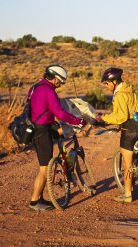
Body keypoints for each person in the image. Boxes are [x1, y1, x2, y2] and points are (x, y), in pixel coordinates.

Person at [28, 65, 86, 211]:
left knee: (45, 165)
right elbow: (60, 113)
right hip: (42, 132)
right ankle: (34, 202)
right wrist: (77, 121)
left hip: (37, 128)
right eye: (61, 81)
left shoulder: (36, 86)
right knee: (45, 168)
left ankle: (40, 199)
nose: (61, 84)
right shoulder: (49, 91)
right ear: (54, 78)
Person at [95, 67, 138, 203]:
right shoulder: (130, 90)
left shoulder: (120, 94)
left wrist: (104, 118)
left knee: (127, 164)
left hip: (128, 130)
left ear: (114, 81)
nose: (106, 85)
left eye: (107, 83)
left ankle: (127, 194)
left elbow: (121, 117)